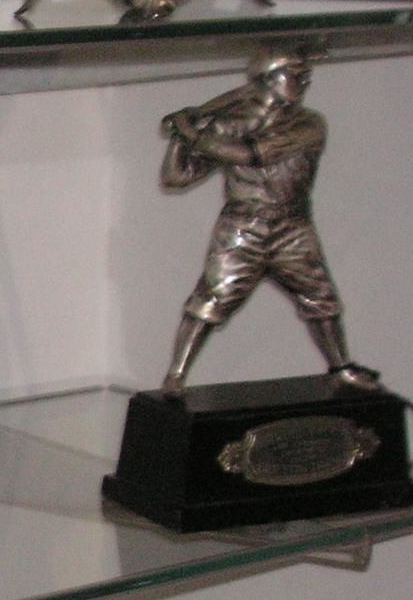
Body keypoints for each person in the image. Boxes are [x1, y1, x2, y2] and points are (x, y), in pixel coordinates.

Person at [157, 48, 379, 394]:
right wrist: (178, 136)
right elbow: (175, 178)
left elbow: (251, 154)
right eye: (295, 74)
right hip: (242, 227)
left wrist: (192, 133)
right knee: (211, 299)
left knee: (321, 297)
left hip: (292, 225)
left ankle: (341, 368)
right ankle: (175, 376)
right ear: (268, 79)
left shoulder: (309, 124)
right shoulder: (227, 124)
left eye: (305, 75)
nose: (304, 81)